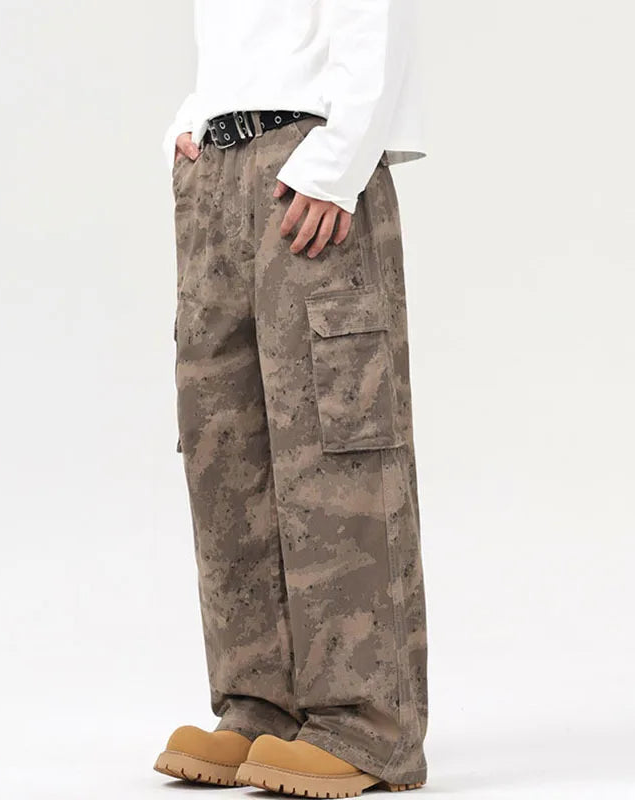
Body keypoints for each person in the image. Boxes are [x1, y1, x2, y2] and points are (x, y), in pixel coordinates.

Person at [153, 1, 429, 795]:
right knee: (223, 443)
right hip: (218, 164)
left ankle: (366, 725)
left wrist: (340, 159)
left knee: (336, 442)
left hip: (307, 161)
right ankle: (260, 704)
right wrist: (193, 121)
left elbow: (375, 16)